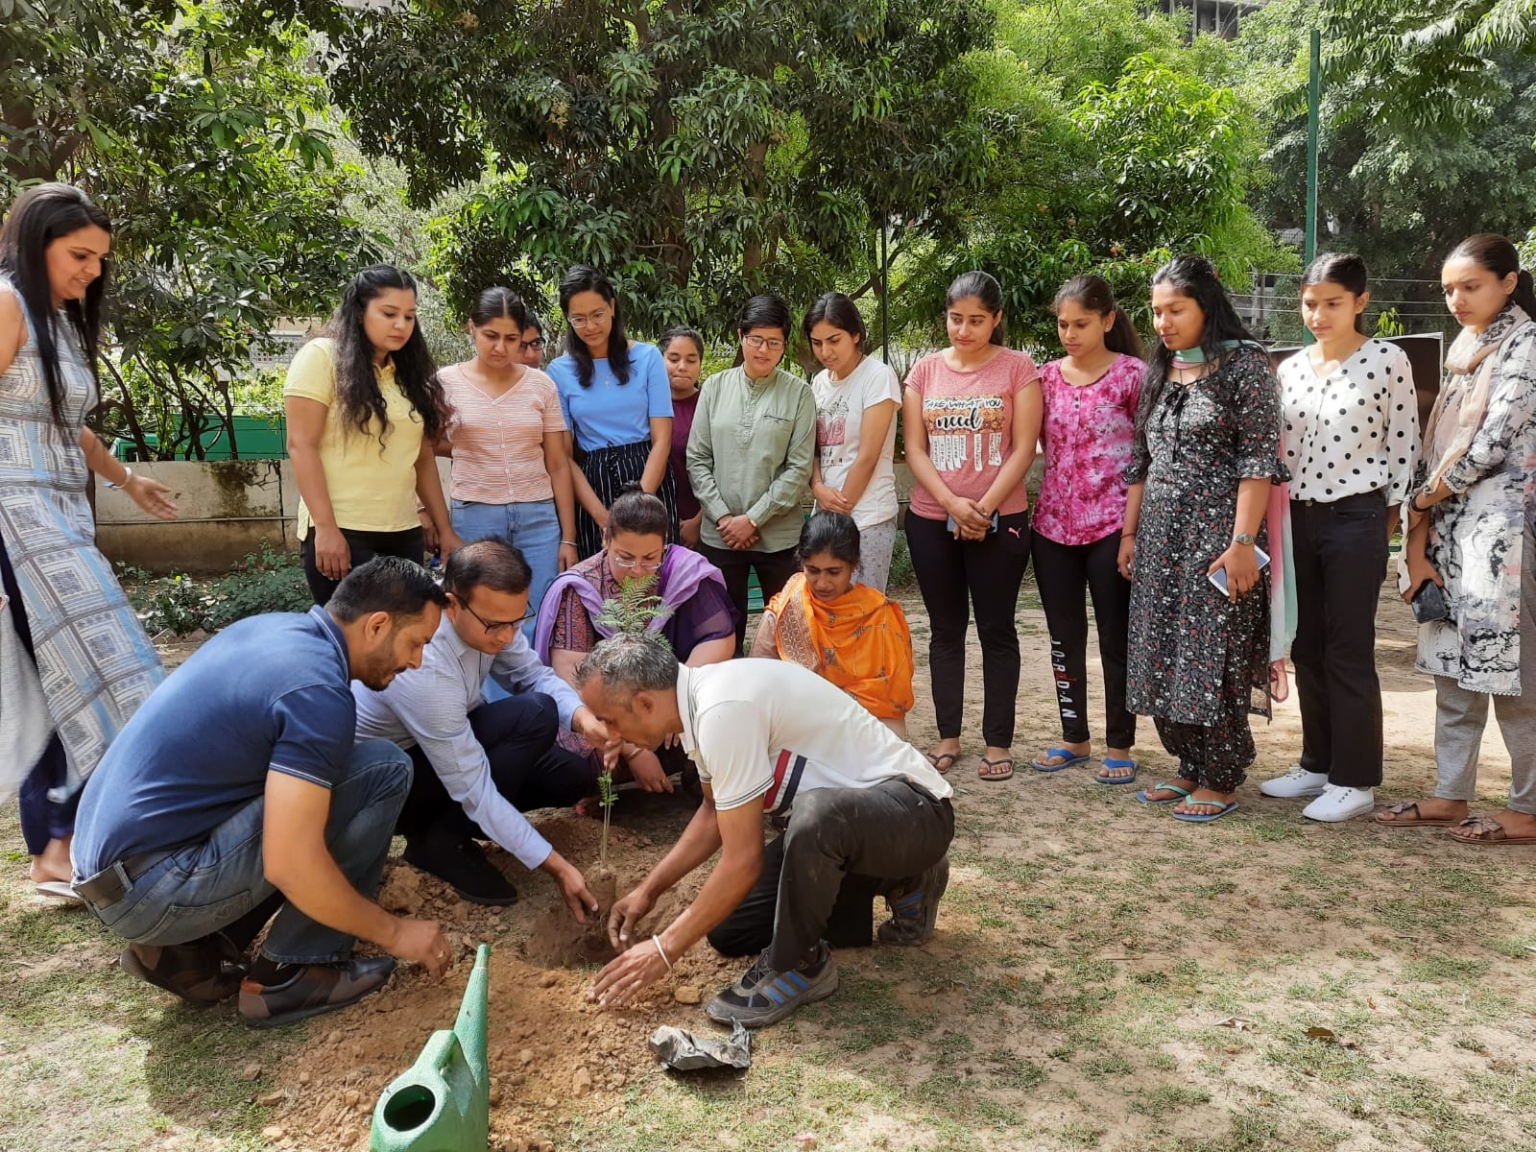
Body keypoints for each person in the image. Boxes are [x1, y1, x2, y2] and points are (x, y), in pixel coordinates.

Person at [71, 558, 454, 1027]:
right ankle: (292, 973)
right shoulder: (318, 692)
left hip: (113, 875)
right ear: (377, 625)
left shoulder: (274, 631)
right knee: (382, 770)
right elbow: (290, 863)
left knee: (321, 790)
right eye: (417, 643)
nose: (416, 661)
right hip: (154, 888)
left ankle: (185, 954)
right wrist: (395, 932)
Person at [575, 631, 954, 1029]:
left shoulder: (723, 708)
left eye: (610, 720)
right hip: (851, 831)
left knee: (816, 815)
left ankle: (801, 965)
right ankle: (902, 882)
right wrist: (648, 891)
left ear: (644, 702)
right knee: (729, 930)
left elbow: (743, 862)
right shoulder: (698, 707)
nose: (609, 735)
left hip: (917, 813)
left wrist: (664, 949)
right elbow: (711, 811)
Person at [0, 183, 178, 902]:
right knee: (58, 673)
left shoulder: (60, 322)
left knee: (103, 667)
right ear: (34, 241)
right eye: (80, 255)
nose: (92, 272)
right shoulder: (8, 303)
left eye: (100, 259)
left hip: (63, 518)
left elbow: (63, 423)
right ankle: (54, 850)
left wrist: (128, 481)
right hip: (15, 519)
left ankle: (104, 830)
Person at [1379, 234, 1536, 844]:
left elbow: (1489, 446)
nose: (1456, 299)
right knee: (1450, 666)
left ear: (1509, 282)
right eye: (1448, 289)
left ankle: (1526, 807)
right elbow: (1434, 446)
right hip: (1450, 529)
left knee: (1515, 675)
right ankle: (1450, 793)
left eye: (1470, 285)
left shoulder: (1526, 345)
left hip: (1506, 537)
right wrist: (1418, 530)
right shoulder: (1468, 347)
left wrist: (1419, 502)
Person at [354, 539, 611, 907]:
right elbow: (471, 783)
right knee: (534, 715)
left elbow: (532, 674)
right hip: (394, 784)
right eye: (495, 625)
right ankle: (440, 841)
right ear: (453, 604)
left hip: (448, 742)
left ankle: (461, 827)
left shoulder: (492, 619)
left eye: (517, 620)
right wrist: (554, 865)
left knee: (570, 776)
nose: (508, 636)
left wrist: (583, 717)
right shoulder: (421, 657)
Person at [1259, 255, 1419, 821]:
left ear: (1360, 301)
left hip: (1358, 517)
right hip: (1296, 518)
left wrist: (1395, 522)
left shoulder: (1386, 361)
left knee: (1348, 648)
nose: (1318, 314)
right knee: (1305, 645)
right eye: (1309, 303)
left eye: (1332, 303)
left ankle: (1356, 780)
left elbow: (1404, 446)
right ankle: (1317, 764)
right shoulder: (1291, 368)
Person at [1124, 256, 1283, 823]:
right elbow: (1141, 459)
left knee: (1214, 653)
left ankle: (1221, 773)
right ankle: (1188, 764)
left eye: (1176, 310)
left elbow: (1258, 461)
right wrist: (1130, 534)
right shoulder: (1160, 369)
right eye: (1157, 312)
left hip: (1220, 538)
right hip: (1161, 539)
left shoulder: (1246, 367)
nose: (1164, 322)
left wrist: (1243, 542)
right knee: (1162, 651)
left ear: (1206, 306)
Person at [902, 271, 1042, 781]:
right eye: (956, 319)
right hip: (930, 518)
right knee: (945, 631)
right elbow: (914, 447)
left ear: (997, 319)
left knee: (997, 630)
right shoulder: (923, 371)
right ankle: (947, 736)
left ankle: (998, 742)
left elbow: (1024, 447)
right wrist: (950, 504)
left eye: (977, 320)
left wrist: (979, 507)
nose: (964, 330)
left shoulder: (1018, 369)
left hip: (999, 520)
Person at [535, 489, 736, 791]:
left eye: (650, 558)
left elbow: (719, 639)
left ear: (665, 546)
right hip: (606, 721)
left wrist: (675, 699)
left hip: (669, 714)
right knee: (577, 771)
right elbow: (571, 677)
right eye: (625, 558)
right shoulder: (580, 588)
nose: (638, 571)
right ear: (606, 539)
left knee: (720, 734)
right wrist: (633, 747)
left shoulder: (684, 571)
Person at [285, 264, 459, 604]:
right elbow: (300, 445)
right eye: (389, 313)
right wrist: (326, 529)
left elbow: (422, 458)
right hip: (344, 532)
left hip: (403, 532)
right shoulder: (321, 357)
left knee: (400, 646)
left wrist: (445, 530)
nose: (401, 325)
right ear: (359, 310)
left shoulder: (406, 375)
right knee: (350, 646)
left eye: (409, 316)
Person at [1029, 275, 1145, 782]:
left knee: (1115, 638)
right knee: (1063, 636)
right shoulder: (1043, 378)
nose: (1070, 333)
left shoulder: (1134, 376)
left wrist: (1132, 532)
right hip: (1052, 526)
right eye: (1062, 324)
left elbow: (1146, 457)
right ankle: (1074, 736)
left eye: (1081, 323)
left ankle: (1120, 743)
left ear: (1108, 320)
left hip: (1112, 526)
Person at [436, 287, 578, 636]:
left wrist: (569, 537)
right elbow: (423, 451)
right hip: (475, 517)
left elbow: (558, 464)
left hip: (539, 519)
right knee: (479, 617)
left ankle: (532, 691)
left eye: (511, 338)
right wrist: (441, 527)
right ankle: (483, 693)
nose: (501, 348)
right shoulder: (444, 383)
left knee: (539, 616)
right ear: (471, 328)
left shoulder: (541, 386)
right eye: (490, 336)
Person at [687, 294, 818, 651]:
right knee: (722, 630)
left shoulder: (799, 394)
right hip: (720, 536)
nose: (763, 350)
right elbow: (697, 458)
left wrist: (754, 519)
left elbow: (799, 468)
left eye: (773, 342)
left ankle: (782, 705)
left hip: (778, 538)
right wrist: (724, 517)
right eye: (756, 339)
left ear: (784, 345)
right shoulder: (714, 387)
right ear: (740, 336)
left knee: (787, 631)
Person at [546, 265, 676, 557]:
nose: (590, 326)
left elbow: (662, 440)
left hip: (648, 475)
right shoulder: (559, 371)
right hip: (594, 484)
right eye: (578, 319)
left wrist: (641, 504)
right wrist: (602, 517)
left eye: (597, 315)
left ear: (613, 307)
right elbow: (564, 457)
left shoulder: (647, 357)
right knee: (604, 580)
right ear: (568, 319)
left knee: (656, 574)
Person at [750, 511, 915, 738]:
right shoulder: (785, 609)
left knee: (893, 733)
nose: (822, 583)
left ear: (854, 565)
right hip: (800, 719)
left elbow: (890, 692)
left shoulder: (880, 615)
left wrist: (835, 705)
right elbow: (758, 679)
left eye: (834, 572)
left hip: (861, 716)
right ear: (802, 562)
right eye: (813, 571)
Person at [804, 293, 902, 592]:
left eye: (834, 340)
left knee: (863, 615)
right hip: (825, 515)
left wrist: (838, 513)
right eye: (817, 342)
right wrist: (818, 487)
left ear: (856, 335)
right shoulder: (819, 383)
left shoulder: (878, 377)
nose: (825, 351)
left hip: (868, 516)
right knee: (825, 617)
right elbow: (813, 448)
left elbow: (868, 456)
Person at [660, 326, 706, 548]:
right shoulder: (646, 406)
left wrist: (699, 521)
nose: (681, 367)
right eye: (673, 358)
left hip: (703, 524)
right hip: (654, 523)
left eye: (691, 359)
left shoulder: (710, 405)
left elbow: (725, 469)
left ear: (700, 364)